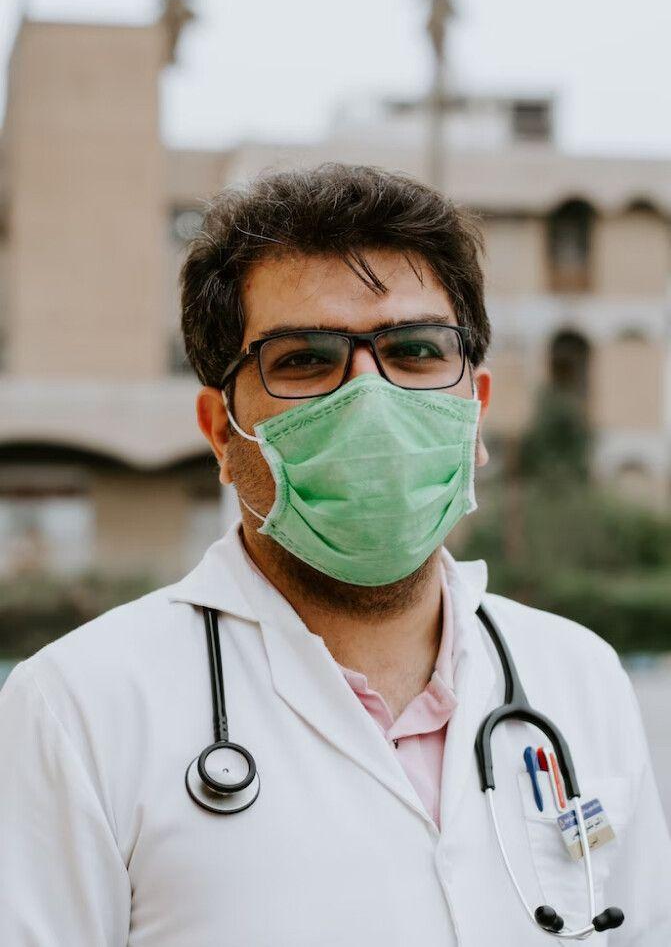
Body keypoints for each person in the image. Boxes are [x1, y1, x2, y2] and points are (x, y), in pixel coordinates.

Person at [0, 163, 669, 945]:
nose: (370, 398)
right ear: (220, 431)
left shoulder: (578, 677)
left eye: (417, 350)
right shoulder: (79, 710)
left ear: (474, 410)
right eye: (304, 359)